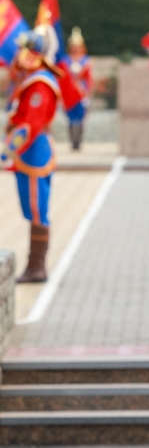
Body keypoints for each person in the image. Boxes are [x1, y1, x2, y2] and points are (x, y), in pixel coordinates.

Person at [2, 25, 62, 283]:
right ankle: (34, 265)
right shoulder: (32, 78)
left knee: (38, 210)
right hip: (29, 152)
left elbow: (30, 124)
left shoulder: (40, 83)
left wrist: (7, 151)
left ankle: (37, 266)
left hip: (34, 152)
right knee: (33, 210)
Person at [64, 27, 92, 151]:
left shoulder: (86, 61)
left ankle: (78, 141)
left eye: (77, 46)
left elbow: (88, 79)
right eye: (73, 46)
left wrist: (88, 93)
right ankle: (72, 140)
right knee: (70, 119)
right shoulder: (66, 61)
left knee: (80, 119)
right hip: (69, 94)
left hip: (81, 94)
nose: (75, 48)